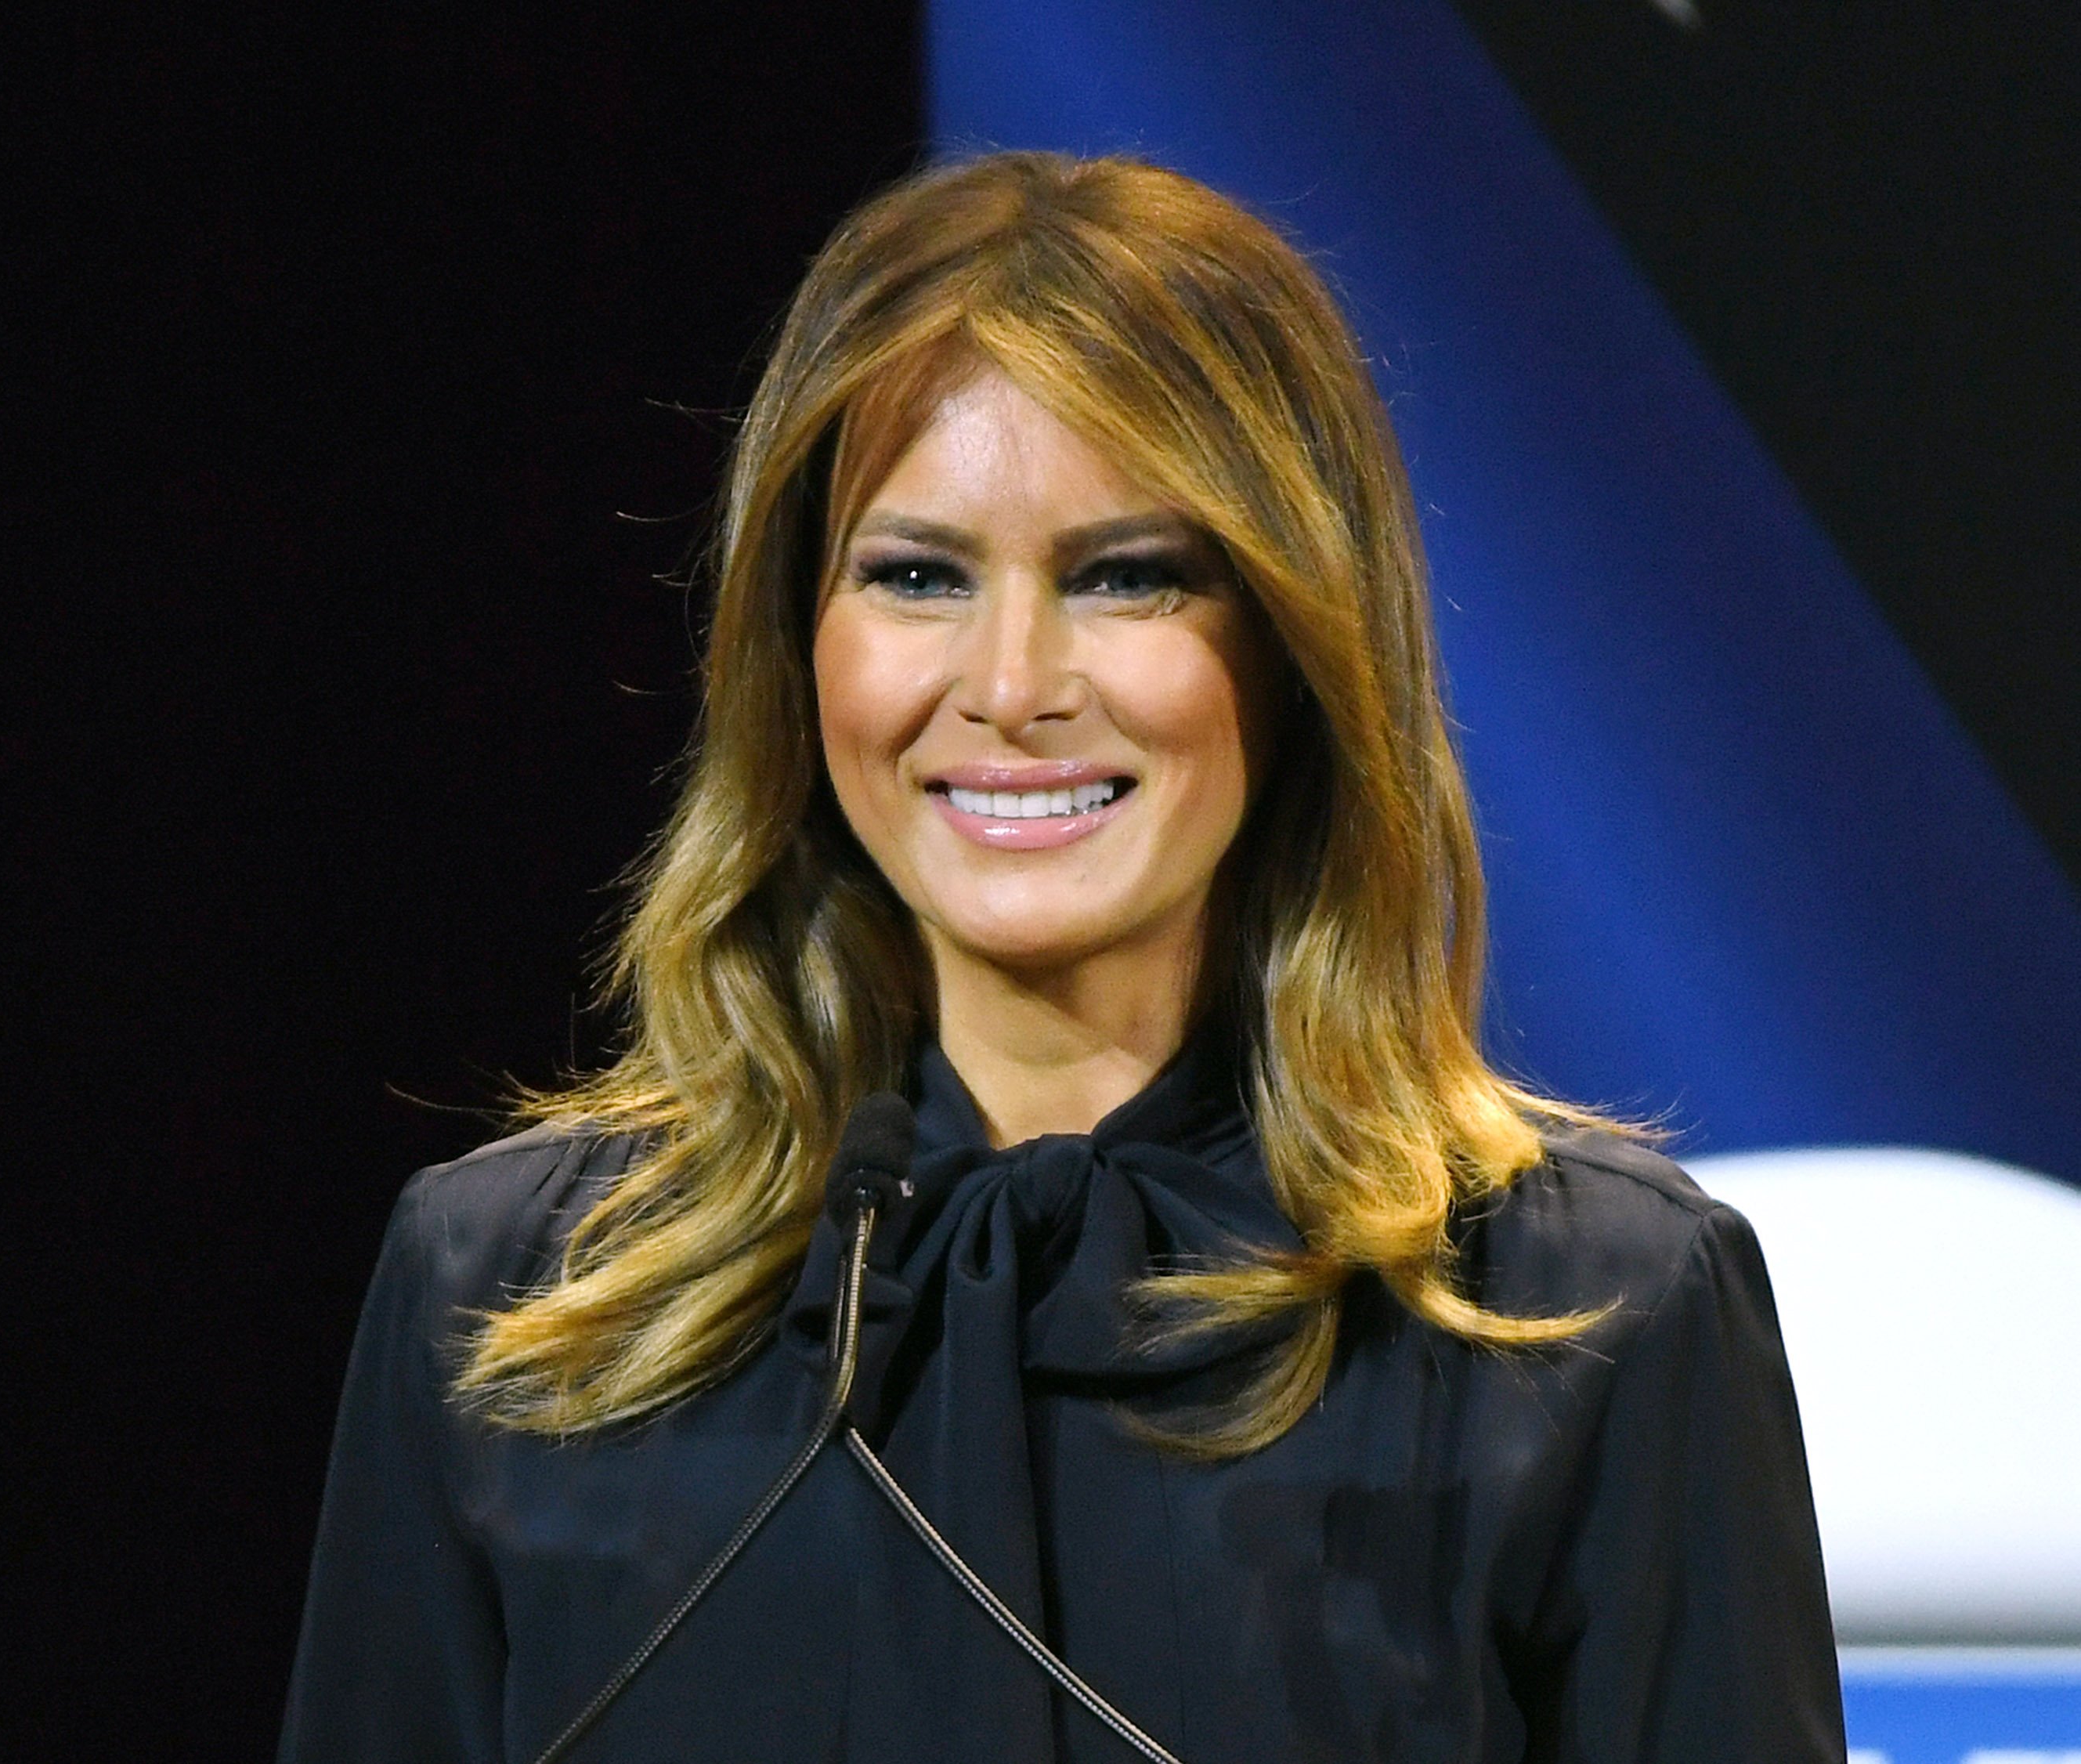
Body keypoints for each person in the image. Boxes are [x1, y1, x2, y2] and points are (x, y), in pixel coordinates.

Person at [279, 152, 1844, 1763]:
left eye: (1127, 577)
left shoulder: (1584, 1316)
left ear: (1298, 643)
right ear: (792, 641)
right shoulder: (512, 1300)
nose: (1011, 683)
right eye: (914, 576)